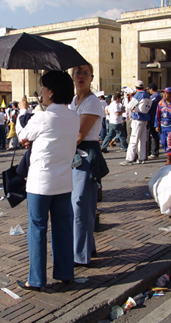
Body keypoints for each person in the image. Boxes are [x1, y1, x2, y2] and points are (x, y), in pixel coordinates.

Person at [15, 71, 80, 291]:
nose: (41, 92)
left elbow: (22, 135)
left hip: (40, 183)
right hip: (63, 181)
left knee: (37, 229)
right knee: (62, 228)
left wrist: (23, 110)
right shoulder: (73, 116)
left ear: (51, 92)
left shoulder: (42, 116)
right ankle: (65, 272)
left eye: (43, 88)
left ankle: (35, 279)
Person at [70, 64, 108, 266]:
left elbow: (78, 135)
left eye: (85, 73)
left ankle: (79, 256)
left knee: (80, 206)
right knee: (78, 205)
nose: (81, 76)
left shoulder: (92, 102)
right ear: (72, 76)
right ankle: (87, 248)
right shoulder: (73, 101)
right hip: (73, 157)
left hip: (86, 157)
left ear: (92, 77)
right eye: (77, 72)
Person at [120, 80, 151, 166]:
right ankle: (142, 158)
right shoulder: (147, 95)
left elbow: (129, 105)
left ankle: (129, 159)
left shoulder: (139, 95)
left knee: (133, 139)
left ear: (136, 87)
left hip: (138, 118)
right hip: (145, 119)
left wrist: (134, 109)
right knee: (142, 139)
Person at [147, 83, 161, 159]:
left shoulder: (156, 97)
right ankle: (150, 151)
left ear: (151, 89)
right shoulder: (154, 97)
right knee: (151, 135)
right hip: (152, 118)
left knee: (154, 136)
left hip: (154, 118)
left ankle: (155, 152)